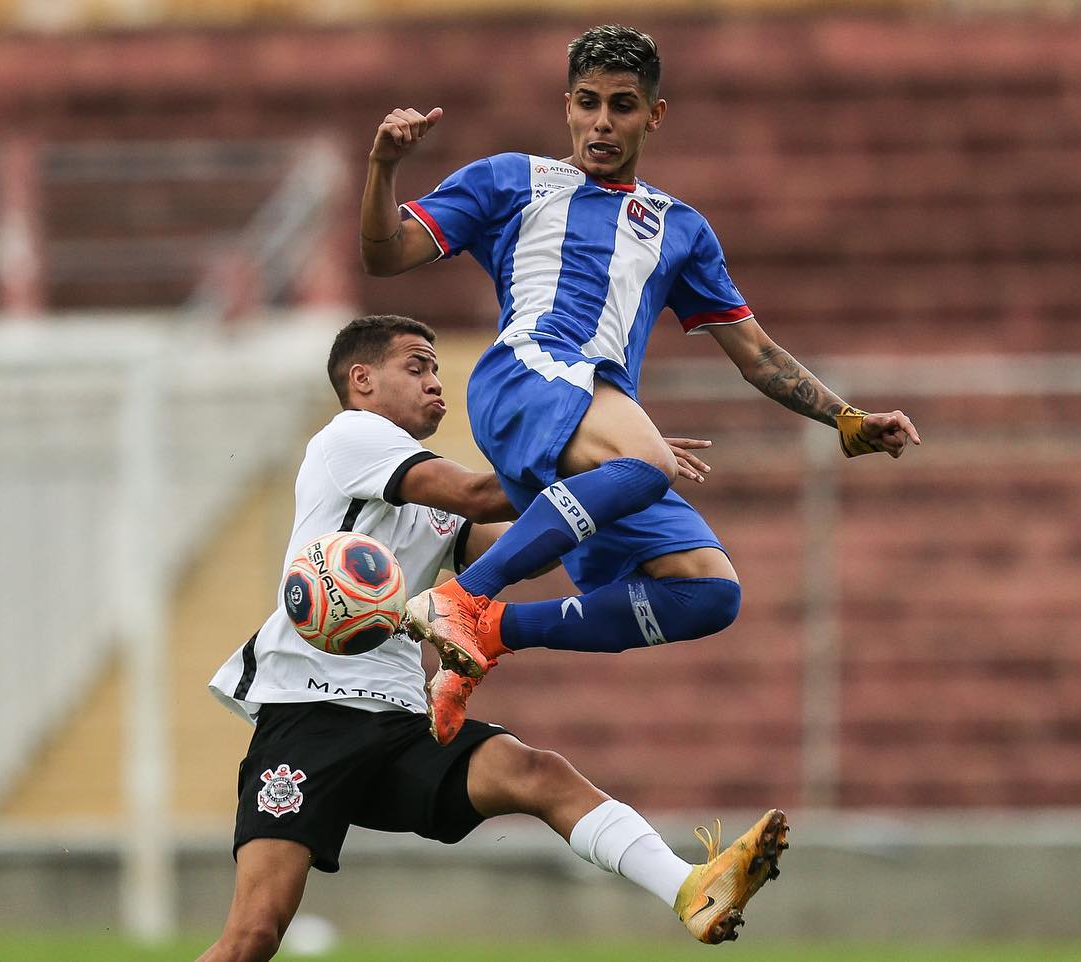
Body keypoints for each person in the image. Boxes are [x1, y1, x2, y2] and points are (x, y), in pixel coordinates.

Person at [359, 24, 922, 737]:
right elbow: (385, 256)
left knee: (708, 592)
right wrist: (383, 167)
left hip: (586, 419)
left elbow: (757, 353)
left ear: (654, 114)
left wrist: (847, 420)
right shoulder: (511, 180)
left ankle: (493, 631)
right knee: (649, 460)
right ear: (566, 104)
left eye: (621, 105)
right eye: (587, 102)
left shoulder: (679, 226)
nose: (601, 122)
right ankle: (464, 597)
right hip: (526, 374)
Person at [201, 315, 787, 960]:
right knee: (251, 939)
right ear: (361, 380)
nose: (435, 385)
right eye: (417, 367)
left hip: (398, 718)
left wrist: (612, 494)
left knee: (537, 774)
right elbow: (482, 495)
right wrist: (613, 466)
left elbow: (521, 551)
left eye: (436, 370)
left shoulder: (419, 491)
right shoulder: (351, 438)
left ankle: (692, 888)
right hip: (311, 714)